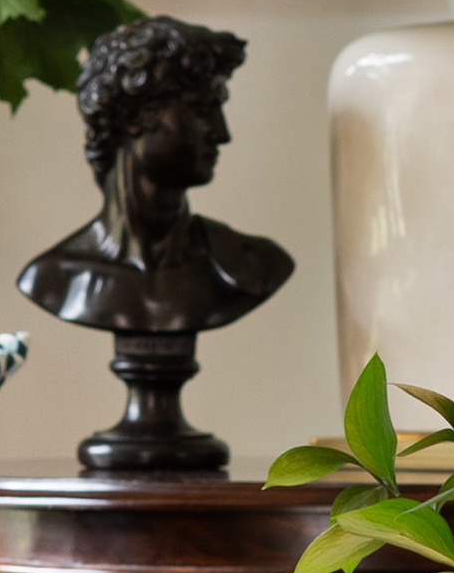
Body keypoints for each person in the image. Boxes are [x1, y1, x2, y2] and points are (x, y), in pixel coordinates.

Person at [16, 17, 293, 340]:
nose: (222, 133)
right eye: (200, 110)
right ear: (133, 116)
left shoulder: (254, 263)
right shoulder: (54, 278)